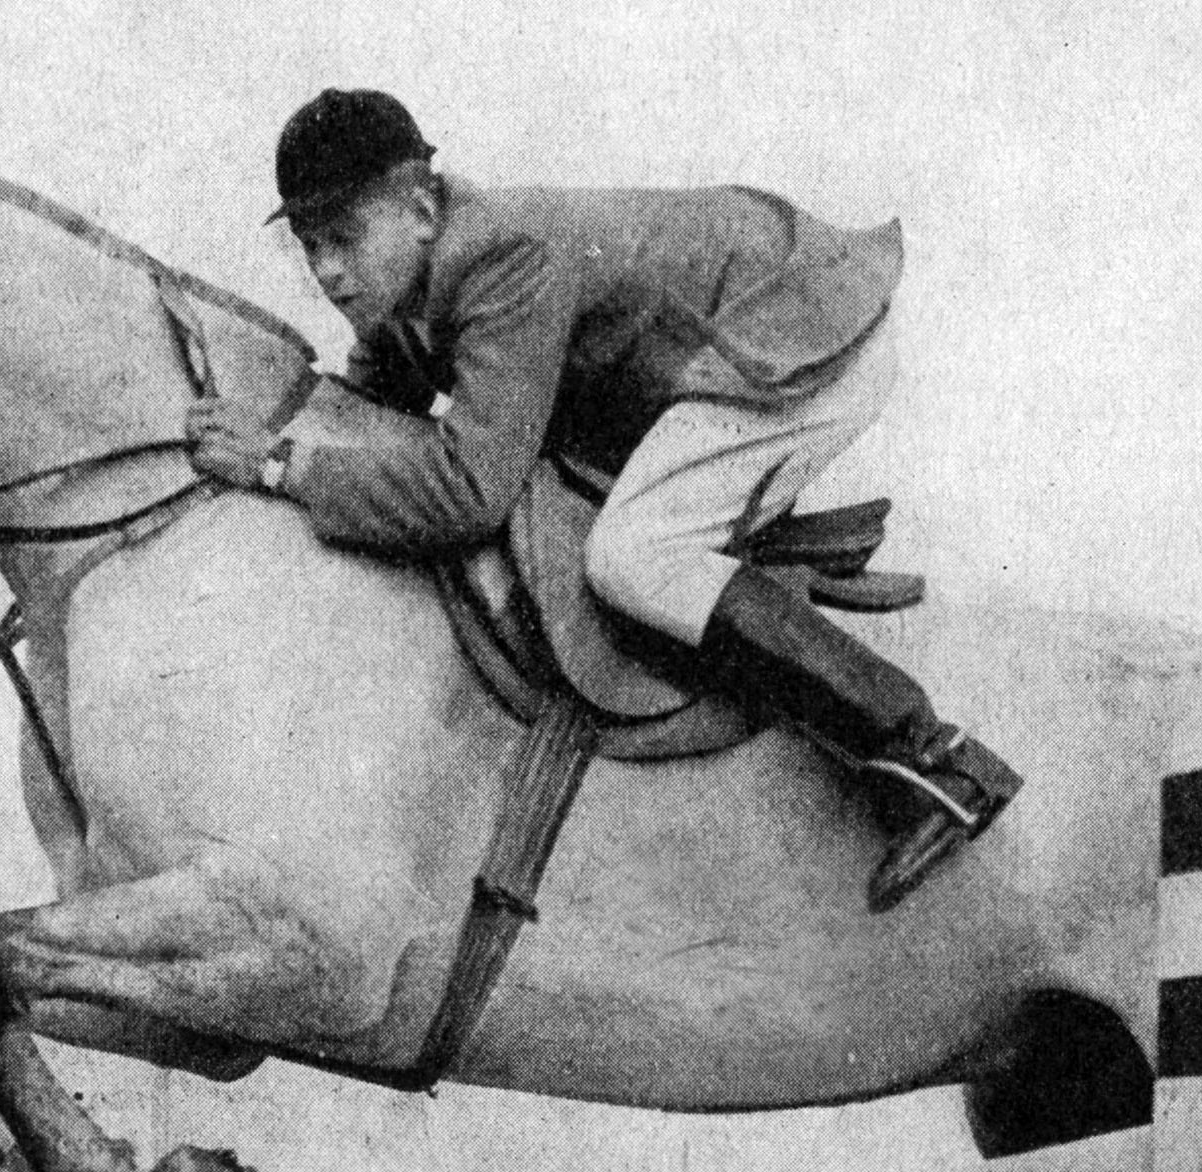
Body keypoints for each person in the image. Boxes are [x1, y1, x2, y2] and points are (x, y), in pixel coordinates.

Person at [186, 89, 1019, 910]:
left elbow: (467, 492)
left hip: (793, 333)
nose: (327, 270)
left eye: (345, 237)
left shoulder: (500, 258)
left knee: (633, 558)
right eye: (310, 245)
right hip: (711, 337)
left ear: (419, 209)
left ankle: (932, 752)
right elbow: (377, 407)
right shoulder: (406, 286)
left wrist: (279, 466)